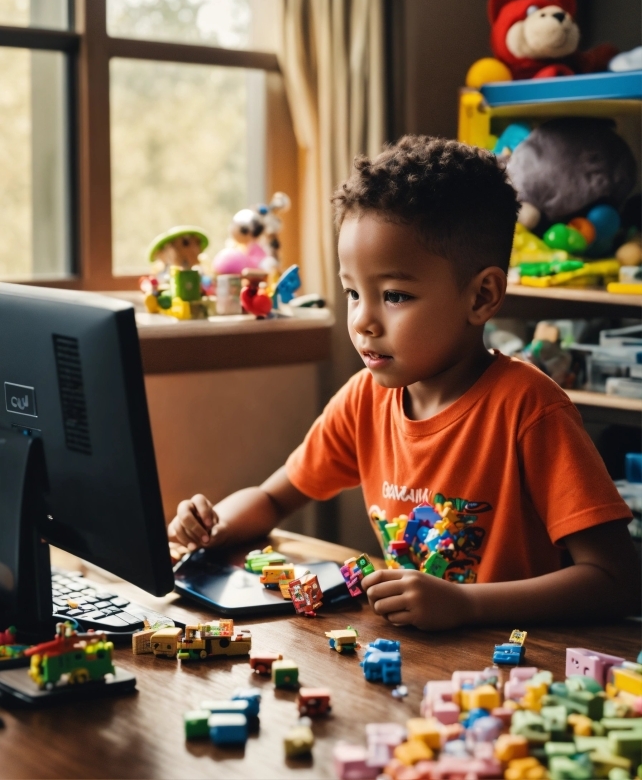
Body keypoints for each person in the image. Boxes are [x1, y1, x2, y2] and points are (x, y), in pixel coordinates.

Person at [168, 136, 639, 631]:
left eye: (393, 295)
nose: (363, 322)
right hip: (411, 662)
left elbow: (617, 579)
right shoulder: (364, 399)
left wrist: (467, 604)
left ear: (482, 296)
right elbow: (273, 499)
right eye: (353, 292)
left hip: (516, 667)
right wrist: (211, 526)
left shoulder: (530, 409)